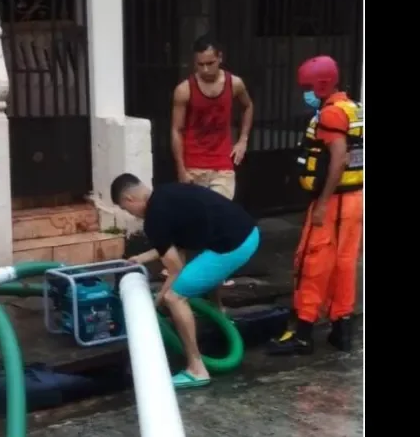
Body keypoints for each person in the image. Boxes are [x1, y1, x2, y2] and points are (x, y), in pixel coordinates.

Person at [111, 173, 260, 388]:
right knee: (201, 267)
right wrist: (142, 258)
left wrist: (156, 303)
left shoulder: (154, 218)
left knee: (175, 297)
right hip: (248, 231)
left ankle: (197, 369)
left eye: (126, 209)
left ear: (129, 199)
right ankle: (219, 315)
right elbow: (175, 244)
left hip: (234, 245)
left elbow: (175, 269)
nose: (131, 214)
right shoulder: (166, 193)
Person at [267, 56, 363, 355]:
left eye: (307, 87)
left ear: (321, 85)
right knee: (344, 264)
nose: (304, 93)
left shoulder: (331, 115)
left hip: (333, 203)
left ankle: (303, 333)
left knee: (312, 263)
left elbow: (338, 159)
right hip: (353, 200)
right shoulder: (354, 108)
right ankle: (341, 329)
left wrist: (321, 204)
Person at [166, 35, 255, 298]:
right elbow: (175, 130)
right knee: (187, 221)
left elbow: (248, 107)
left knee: (219, 220)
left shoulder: (234, 84)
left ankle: (213, 276)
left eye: (210, 63)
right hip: (193, 164)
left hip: (221, 164)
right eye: (199, 65)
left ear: (220, 59)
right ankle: (179, 275)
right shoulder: (184, 89)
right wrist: (181, 169)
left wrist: (243, 140)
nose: (205, 69)